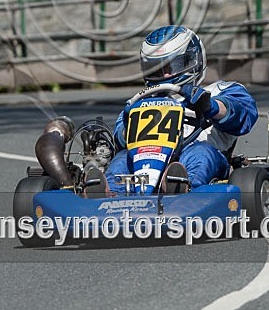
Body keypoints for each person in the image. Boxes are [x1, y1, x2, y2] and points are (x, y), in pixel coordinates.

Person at [85, 25, 259, 197]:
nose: (164, 75)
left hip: (202, 160)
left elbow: (244, 114)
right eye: (155, 68)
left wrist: (211, 106)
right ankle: (109, 197)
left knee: (199, 153)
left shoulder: (219, 91)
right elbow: (119, 137)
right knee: (123, 159)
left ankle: (182, 188)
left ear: (192, 59)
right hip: (147, 162)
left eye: (170, 66)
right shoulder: (140, 101)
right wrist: (127, 127)